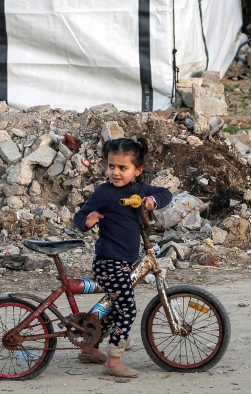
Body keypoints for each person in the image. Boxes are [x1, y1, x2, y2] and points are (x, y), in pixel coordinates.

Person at [73, 137, 172, 378]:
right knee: (127, 309)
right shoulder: (105, 192)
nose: (115, 172)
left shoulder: (140, 189)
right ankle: (114, 361)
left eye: (122, 168)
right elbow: (81, 214)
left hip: (123, 261)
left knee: (116, 308)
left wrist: (152, 201)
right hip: (109, 262)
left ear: (138, 171)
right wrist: (87, 221)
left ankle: (90, 346)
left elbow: (165, 193)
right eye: (111, 166)